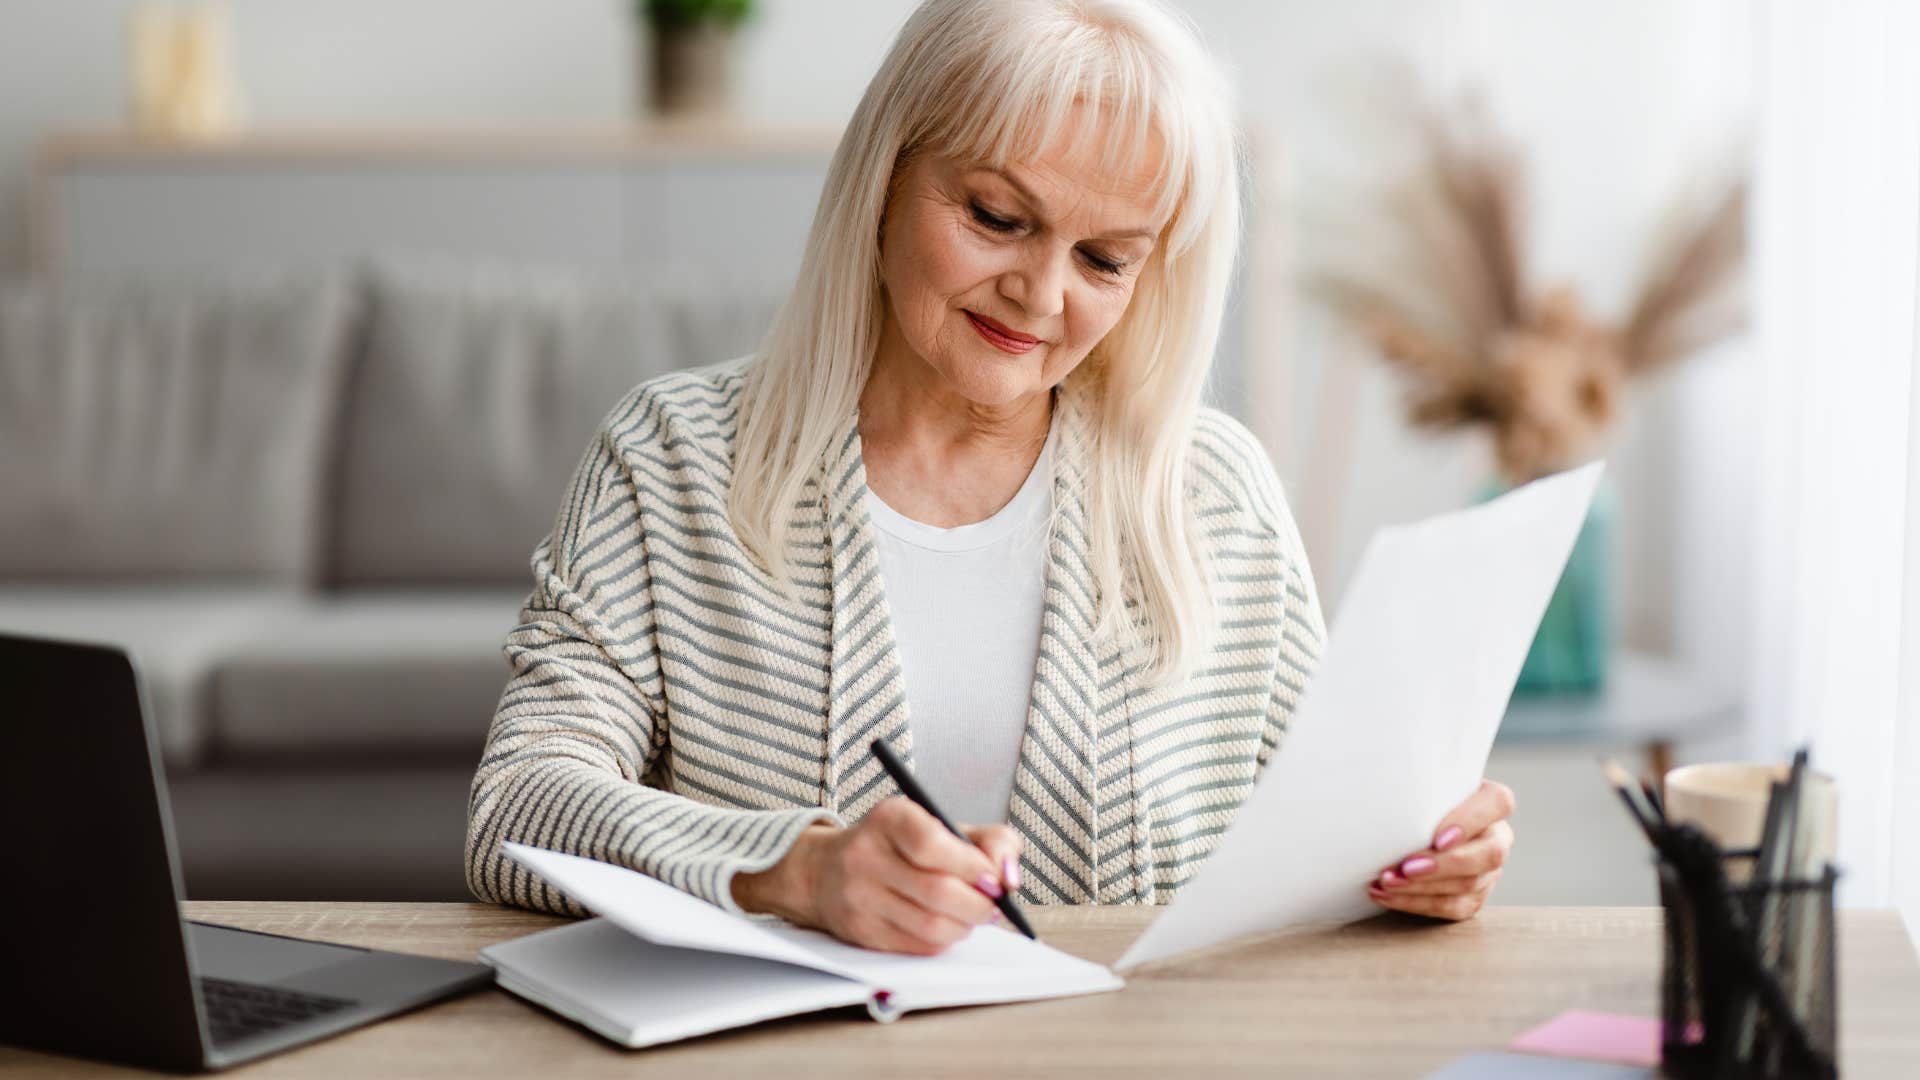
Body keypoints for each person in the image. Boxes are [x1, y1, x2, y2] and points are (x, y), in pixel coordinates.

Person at [466, 0, 1515, 956]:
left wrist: (1417, 857)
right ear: (884, 179)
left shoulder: (1214, 494)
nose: (1042, 294)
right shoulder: (670, 459)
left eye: (1104, 260)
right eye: (998, 219)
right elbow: (517, 806)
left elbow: (1329, 835)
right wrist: (795, 871)